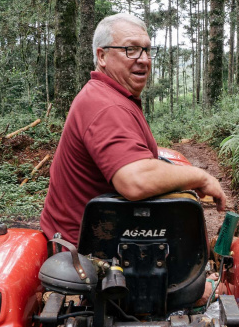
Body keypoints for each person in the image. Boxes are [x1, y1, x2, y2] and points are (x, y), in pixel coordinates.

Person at [40, 13, 227, 246]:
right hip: (86, 254)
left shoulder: (110, 95)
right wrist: (200, 176)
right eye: (131, 50)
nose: (144, 59)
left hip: (103, 237)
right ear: (102, 56)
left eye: (147, 50)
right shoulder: (105, 105)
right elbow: (134, 181)